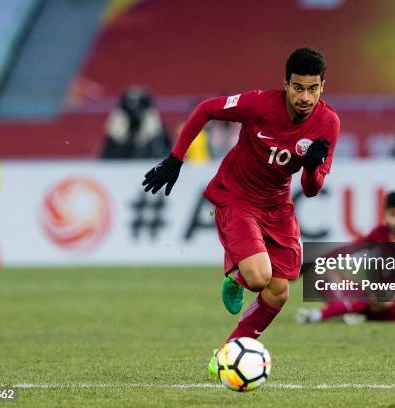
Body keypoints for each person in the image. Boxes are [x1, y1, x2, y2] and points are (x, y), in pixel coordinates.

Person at [141, 47, 340, 375]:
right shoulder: (260, 104)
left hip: (277, 205)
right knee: (260, 277)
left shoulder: (328, 123)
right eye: (298, 87)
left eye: (313, 88)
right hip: (237, 197)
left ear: (322, 87)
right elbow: (206, 109)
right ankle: (239, 277)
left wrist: (311, 166)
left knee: (279, 293)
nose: (305, 96)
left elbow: (311, 188)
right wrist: (175, 159)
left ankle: (225, 354)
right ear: (286, 84)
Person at [296, 191, 395, 324]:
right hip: (372, 297)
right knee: (323, 273)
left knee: (384, 296)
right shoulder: (380, 233)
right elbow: (348, 249)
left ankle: (322, 314)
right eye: (393, 215)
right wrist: (314, 263)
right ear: (385, 214)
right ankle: (352, 311)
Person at [101, 87, 170, 159]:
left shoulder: (152, 120)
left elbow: (163, 153)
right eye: (129, 107)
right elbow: (115, 136)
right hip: (120, 160)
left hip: (148, 158)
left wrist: (146, 137)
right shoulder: (119, 116)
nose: (134, 112)